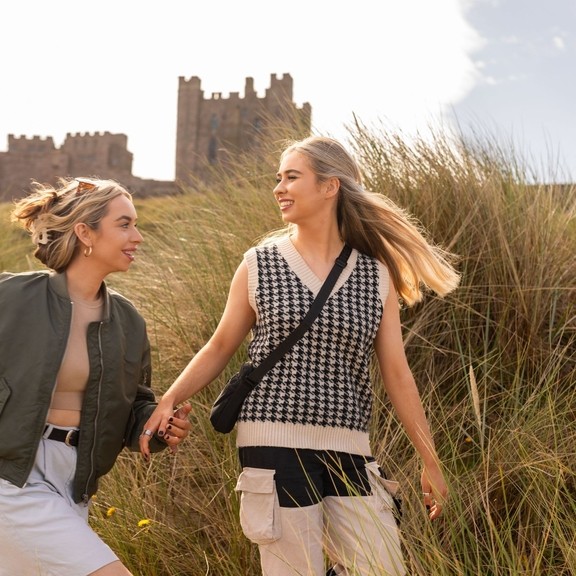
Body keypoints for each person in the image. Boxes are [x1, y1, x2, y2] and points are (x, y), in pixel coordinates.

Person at [140, 136, 460, 575]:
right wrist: (168, 399)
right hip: (272, 443)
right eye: (278, 178)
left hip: (349, 449)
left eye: (292, 177)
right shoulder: (260, 263)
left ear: (330, 186)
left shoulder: (374, 273)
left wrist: (431, 460)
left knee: (381, 566)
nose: (279, 188)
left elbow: (398, 374)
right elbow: (218, 347)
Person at [0, 177, 191, 576]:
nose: (137, 236)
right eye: (124, 224)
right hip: (12, 477)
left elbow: (134, 404)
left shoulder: (128, 321)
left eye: (136, 224)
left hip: (75, 483)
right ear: (85, 233)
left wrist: (157, 425)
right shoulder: (12, 297)